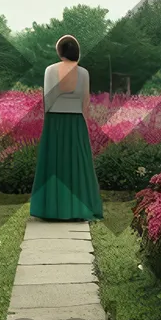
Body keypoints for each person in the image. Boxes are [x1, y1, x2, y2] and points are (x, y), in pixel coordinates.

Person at [29, 34, 104, 221]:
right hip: (76, 120)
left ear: (60, 51)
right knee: (77, 163)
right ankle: (78, 207)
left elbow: (48, 98)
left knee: (55, 161)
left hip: (55, 119)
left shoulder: (50, 70)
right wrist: (84, 124)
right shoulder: (84, 73)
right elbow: (85, 102)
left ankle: (53, 208)